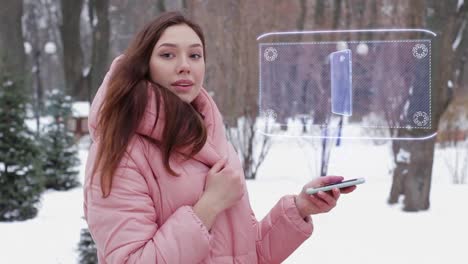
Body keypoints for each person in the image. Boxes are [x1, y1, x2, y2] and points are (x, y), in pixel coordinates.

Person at [84, 11, 356, 264]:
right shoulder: (120, 149)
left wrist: (299, 208)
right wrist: (209, 205)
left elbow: (247, 253)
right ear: (143, 65)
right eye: (167, 55)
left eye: (195, 55)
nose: (184, 66)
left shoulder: (213, 141)